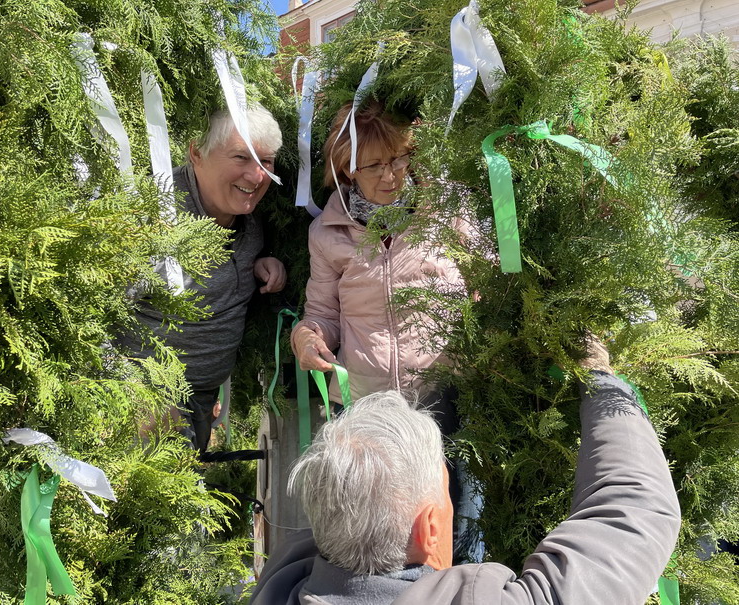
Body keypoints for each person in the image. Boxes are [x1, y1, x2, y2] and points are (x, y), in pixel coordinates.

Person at [249, 338, 681, 604]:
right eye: (443, 490)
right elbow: (635, 509)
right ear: (429, 528)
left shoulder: (279, 584)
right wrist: (601, 381)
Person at [290, 100, 480, 420]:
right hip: (364, 403)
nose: (390, 176)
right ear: (348, 168)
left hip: (445, 395)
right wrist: (306, 338)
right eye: (374, 166)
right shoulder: (326, 232)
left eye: (398, 159)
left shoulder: (448, 208)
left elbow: (485, 281)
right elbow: (323, 314)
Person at [121, 104, 286, 452]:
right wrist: (135, 397)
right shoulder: (151, 218)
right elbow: (90, 319)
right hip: (142, 411)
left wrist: (261, 262)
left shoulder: (246, 215)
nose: (257, 176)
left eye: (266, 162)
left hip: (199, 400)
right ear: (197, 153)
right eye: (241, 157)